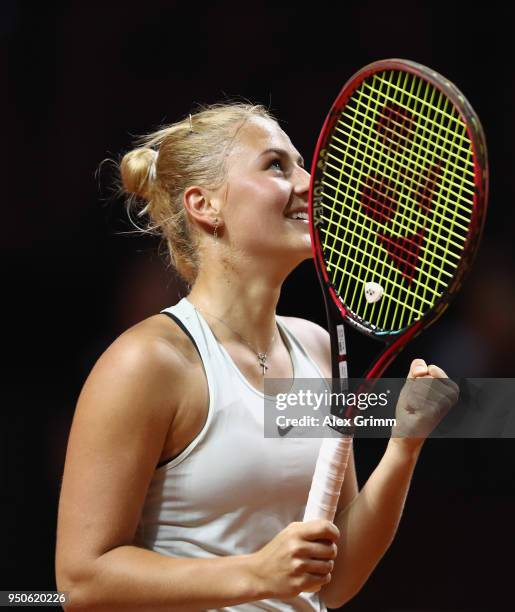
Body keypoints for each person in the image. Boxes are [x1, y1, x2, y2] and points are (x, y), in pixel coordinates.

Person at [55, 102, 458, 611]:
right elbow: (78, 582)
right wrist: (255, 573)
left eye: (301, 164)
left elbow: (333, 582)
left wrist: (403, 449)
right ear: (205, 206)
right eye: (276, 165)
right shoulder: (148, 363)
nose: (310, 182)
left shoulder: (312, 346)